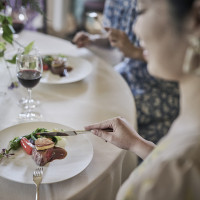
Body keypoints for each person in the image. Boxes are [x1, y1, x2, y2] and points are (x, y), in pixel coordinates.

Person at [85, 0, 200, 199]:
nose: (135, 29)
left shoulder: (176, 167)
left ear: (196, 20)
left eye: (142, 12)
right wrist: (137, 144)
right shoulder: (189, 125)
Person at [73, 0, 180, 145]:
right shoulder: (115, 3)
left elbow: (178, 58)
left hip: (162, 85)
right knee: (90, 98)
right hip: (127, 72)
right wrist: (93, 40)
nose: (135, 28)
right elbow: (114, 37)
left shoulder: (163, 6)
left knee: (111, 119)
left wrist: (135, 52)